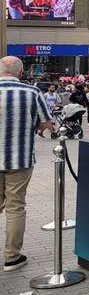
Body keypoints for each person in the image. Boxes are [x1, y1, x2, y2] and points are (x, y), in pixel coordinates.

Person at [0, 56, 52, 271]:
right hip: (19, 159)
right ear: (21, 73)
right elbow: (46, 123)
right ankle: (12, 257)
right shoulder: (32, 92)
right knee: (15, 207)